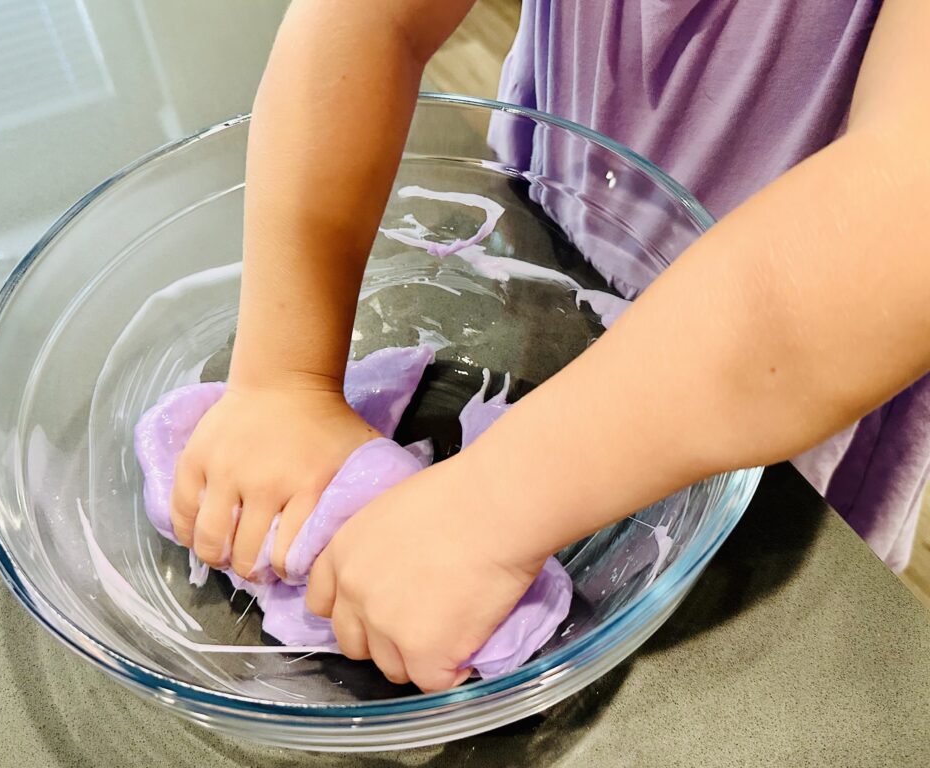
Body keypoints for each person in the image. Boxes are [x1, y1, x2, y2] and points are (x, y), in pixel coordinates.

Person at [167, 0, 930, 692]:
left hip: (794, 392)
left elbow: (903, 205)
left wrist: (489, 510)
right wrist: (283, 376)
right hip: (549, 233)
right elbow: (371, 17)